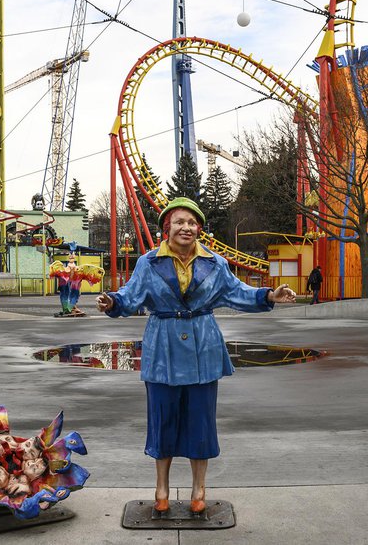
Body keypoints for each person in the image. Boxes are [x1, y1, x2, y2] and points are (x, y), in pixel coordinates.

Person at [96, 197, 296, 517]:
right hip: (163, 347)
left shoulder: (216, 263)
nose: (186, 228)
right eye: (179, 222)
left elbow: (238, 293)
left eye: (191, 223)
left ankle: (199, 489)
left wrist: (269, 295)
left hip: (204, 346)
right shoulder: (148, 263)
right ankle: (160, 489)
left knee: (200, 423)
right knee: (162, 421)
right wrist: (112, 303)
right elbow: (130, 297)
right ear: (167, 228)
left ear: (199, 229)